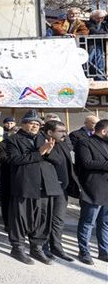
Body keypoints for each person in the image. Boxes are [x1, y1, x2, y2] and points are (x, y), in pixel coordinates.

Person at [6, 110, 63, 265]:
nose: (35, 126)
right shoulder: (13, 140)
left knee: (43, 218)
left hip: (46, 186)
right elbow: (15, 159)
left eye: (37, 124)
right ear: (23, 124)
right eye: (31, 123)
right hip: (25, 185)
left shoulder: (45, 139)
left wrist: (48, 152)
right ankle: (17, 247)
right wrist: (40, 152)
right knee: (21, 218)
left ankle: (36, 248)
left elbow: (58, 160)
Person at [40, 120, 75, 262]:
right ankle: (43, 246)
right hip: (48, 188)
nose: (65, 134)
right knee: (45, 218)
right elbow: (53, 160)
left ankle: (57, 247)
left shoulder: (64, 143)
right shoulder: (42, 143)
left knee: (58, 220)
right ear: (49, 132)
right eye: (61, 131)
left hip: (63, 188)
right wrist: (47, 152)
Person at [75, 118, 108, 265]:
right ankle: (84, 251)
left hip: (107, 190)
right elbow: (87, 163)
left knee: (105, 222)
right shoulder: (85, 142)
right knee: (88, 222)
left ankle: (104, 251)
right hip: (93, 188)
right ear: (104, 131)